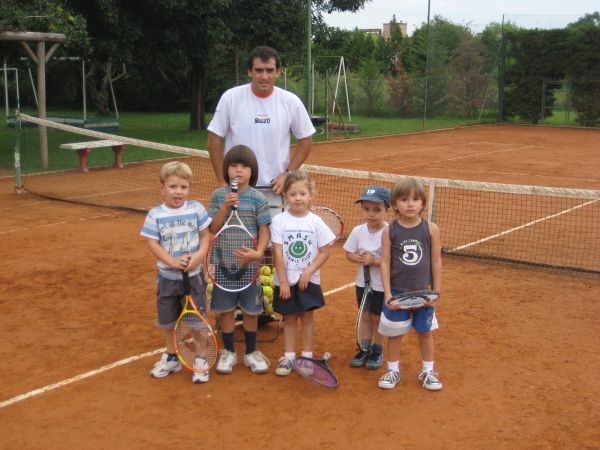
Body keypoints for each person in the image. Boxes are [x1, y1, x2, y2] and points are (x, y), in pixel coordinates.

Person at [207, 45, 316, 214]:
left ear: (278, 72)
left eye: (270, 70)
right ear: (249, 72)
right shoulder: (230, 98)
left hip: (275, 192)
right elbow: (214, 139)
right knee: (239, 241)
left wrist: (288, 173)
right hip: (238, 191)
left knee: (275, 241)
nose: (264, 76)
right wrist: (223, 181)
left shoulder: (291, 102)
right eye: (259, 70)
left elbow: (306, 140)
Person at [141, 161, 212, 383]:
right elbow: (153, 244)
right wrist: (171, 261)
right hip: (167, 279)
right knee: (168, 320)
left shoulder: (197, 209)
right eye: (173, 186)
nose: (178, 191)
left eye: (183, 187)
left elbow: (205, 236)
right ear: (162, 188)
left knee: (197, 320)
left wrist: (198, 257)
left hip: (194, 279)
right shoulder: (155, 215)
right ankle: (172, 356)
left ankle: (201, 359)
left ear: (189, 188)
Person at [208, 145, 272, 374]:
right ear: (226, 170)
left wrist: (259, 252)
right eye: (234, 165)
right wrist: (225, 206)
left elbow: (264, 230)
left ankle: (251, 352)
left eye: (244, 166)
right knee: (225, 311)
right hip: (224, 265)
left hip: (250, 267)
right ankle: (228, 352)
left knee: (250, 311)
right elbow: (213, 228)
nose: (238, 170)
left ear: (252, 171)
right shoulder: (218, 196)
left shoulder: (257, 198)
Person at [378, 177, 443, 391]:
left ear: (423, 203)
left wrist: (435, 293)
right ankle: (393, 370)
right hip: (398, 293)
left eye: (415, 199)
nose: (410, 204)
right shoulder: (390, 230)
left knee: (425, 332)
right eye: (404, 199)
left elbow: (436, 261)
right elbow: (385, 262)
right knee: (395, 333)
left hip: (424, 293)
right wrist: (388, 293)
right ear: (395, 204)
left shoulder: (431, 229)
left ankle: (428, 371)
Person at [269, 170, 336, 376]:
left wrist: (308, 272)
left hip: (309, 280)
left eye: (302, 194)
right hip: (286, 281)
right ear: (285, 196)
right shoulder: (279, 221)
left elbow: (325, 252)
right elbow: (278, 252)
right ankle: (289, 358)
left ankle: (306, 358)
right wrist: (283, 281)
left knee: (307, 318)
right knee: (289, 319)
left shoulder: (315, 222)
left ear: (310, 195)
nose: (297, 198)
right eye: (292, 194)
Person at [343, 186, 391, 370]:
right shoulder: (357, 231)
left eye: (377, 210)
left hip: (382, 285)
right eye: (366, 209)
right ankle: (364, 348)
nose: (371, 214)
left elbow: (392, 261)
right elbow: (349, 254)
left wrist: (374, 261)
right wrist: (358, 258)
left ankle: (377, 350)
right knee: (364, 316)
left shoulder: (389, 232)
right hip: (362, 284)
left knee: (377, 318)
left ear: (387, 210)